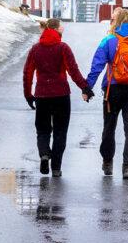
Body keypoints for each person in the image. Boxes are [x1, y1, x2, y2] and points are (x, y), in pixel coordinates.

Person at [86, 8, 128, 180]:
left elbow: (97, 65)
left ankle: (108, 163)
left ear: (117, 22)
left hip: (112, 90)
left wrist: (88, 87)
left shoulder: (109, 40)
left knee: (109, 127)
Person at [23, 18, 94, 177]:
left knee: (42, 130)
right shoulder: (63, 48)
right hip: (61, 95)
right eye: (61, 25)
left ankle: (44, 154)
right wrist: (85, 87)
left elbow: (27, 73)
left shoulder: (35, 49)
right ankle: (56, 168)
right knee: (60, 132)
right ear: (56, 29)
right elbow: (73, 71)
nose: (64, 27)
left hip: (42, 95)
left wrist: (28, 94)